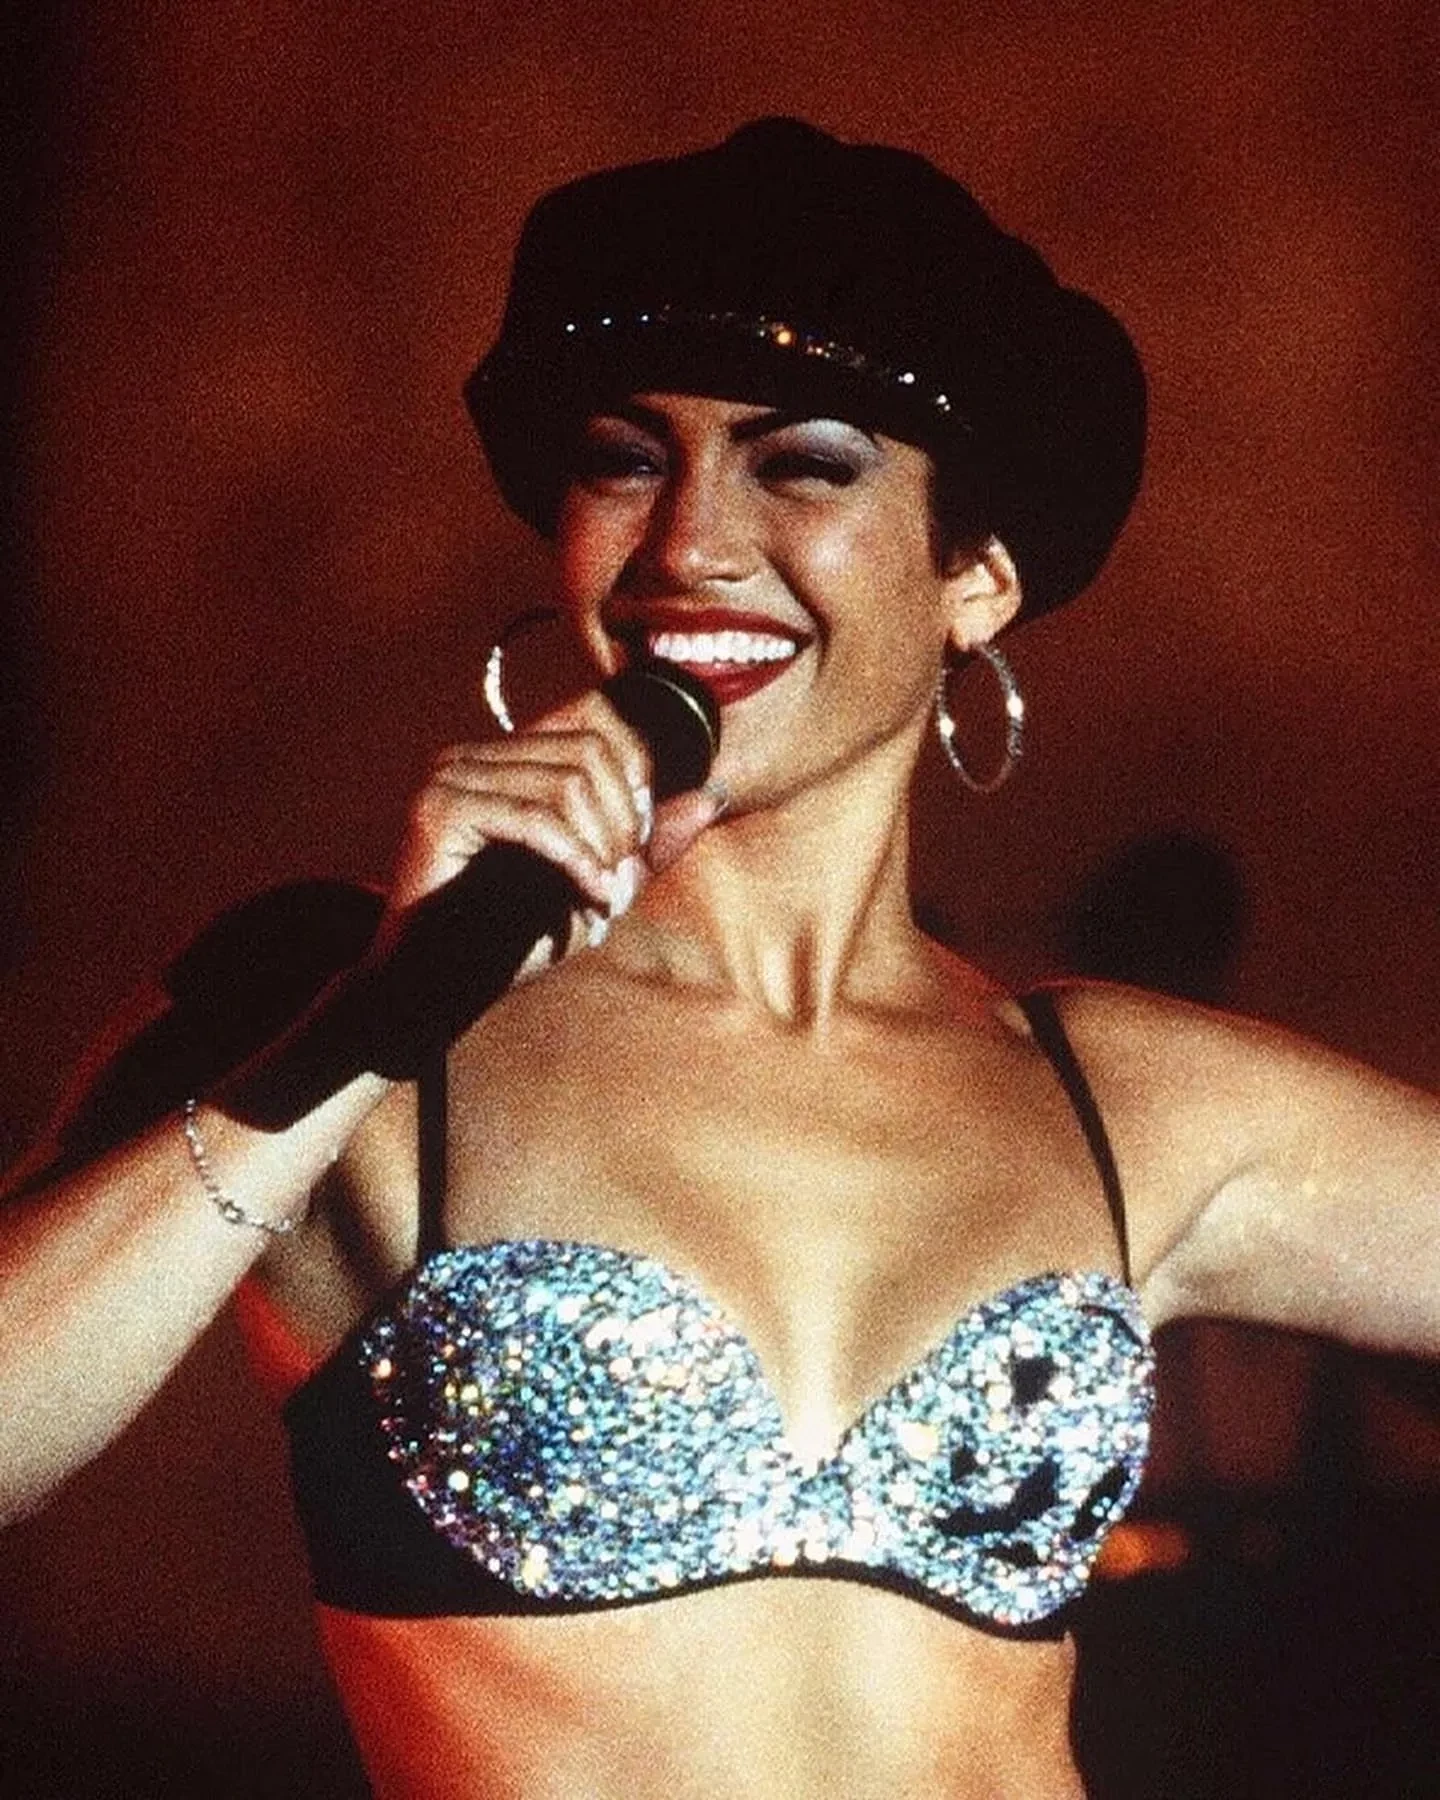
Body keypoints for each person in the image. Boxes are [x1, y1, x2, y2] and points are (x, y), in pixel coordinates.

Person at [1, 119, 1435, 1800]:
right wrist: (376, 1020)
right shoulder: (343, 1002)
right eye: (626, 459)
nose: (690, 544)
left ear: (977, 577)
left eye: (804, 466)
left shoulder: (1117, 1100)